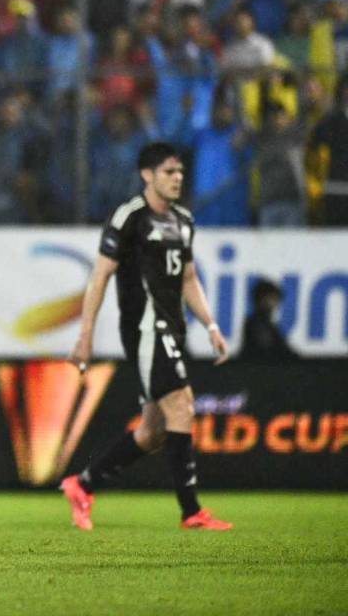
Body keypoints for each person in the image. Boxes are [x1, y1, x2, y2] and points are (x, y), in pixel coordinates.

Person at [61, 142, 233, 532]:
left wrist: (210, 325)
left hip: (172, 328)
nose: (177, 179)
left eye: (180, 173)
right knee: (182, 404)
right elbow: (100, 275)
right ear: (147, 175)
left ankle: (82, 484)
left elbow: (189, 278)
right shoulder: (129, 217)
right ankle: (191, 512)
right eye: (169, 172)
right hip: (144, 329)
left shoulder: (183, 220)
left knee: (153, 430)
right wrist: (85, 335)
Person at [238, 279, 298, 361]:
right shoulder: (256, 324)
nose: (276, 304)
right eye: (273, 298)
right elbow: (269, 350)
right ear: (262, 299)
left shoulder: (268, 325)